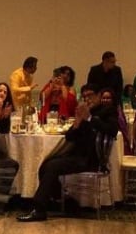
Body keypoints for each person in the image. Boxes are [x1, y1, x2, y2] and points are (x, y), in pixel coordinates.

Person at [16, 84, 118, 222]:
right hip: (77, 155)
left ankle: (39, 210)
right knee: (46, 165)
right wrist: (77, 122)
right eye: (85, 96)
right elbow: (70, 137)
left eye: (91, 96)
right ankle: (64, 201)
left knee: (52, 167)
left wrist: (89, 118)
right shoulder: (85, 112)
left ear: (98, 96)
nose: (88, 99)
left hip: (92, 159)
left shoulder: (107, 111)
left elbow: (111, 130)